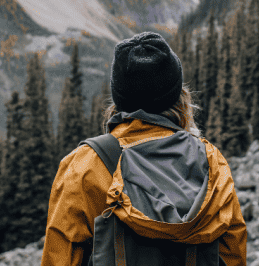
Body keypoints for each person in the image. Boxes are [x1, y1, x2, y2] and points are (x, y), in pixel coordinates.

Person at [42, 32, 247, 265]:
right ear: (179, 97)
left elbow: (61, 258)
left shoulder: (84, 166)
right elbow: (233, 256)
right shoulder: (212, 164)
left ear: (119, 99)